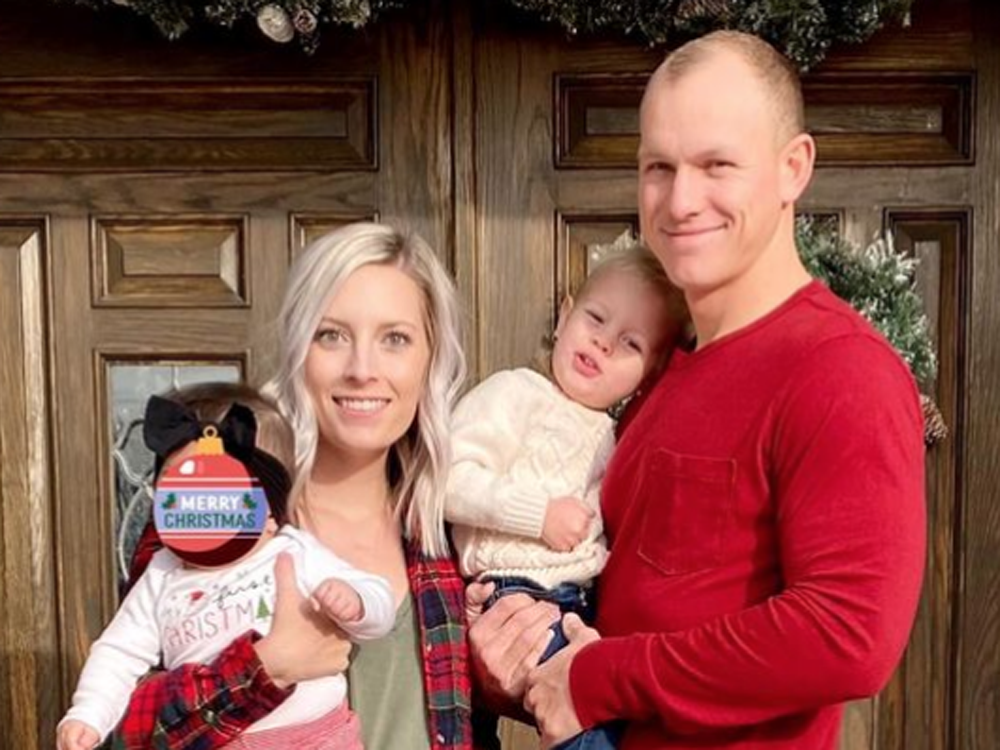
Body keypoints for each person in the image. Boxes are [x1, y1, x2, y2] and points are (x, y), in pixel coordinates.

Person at [473, 30, 927, 750]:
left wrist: (598, 677)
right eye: (659, 166)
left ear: (792, 168)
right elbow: (628, 612)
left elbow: (850, 634)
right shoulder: (660, 371)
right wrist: (521, 661)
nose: (680, 200)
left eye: (717, 165)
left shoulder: (841, 369)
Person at [102, 223, 471, 750]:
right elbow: (119, 731)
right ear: (299, 350)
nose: (362, 369)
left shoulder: (450, 536)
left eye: (395, 339)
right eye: (331, 335)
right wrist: (262, 669)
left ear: (430, 359)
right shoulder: (225, 506)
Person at [57, 384, 395, 750]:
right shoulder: (162, 571)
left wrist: (356, 602)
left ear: (269, 510)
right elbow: (118, 652)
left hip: (318, 737)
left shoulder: (293, 550)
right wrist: (88, 714)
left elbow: (379, 599)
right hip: (222, 738)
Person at [445, 243, 687, 750]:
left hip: (576, 602)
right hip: (512, 593)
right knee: (583, 718)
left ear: (651, 371)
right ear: (563, 316)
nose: (601, 344)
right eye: (595, 318)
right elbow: (446, 481)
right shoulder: (515, 394)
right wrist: (539, 516)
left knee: (624, 706)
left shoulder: (616, 435)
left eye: (629, 344)